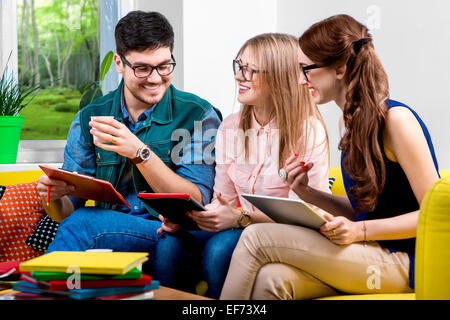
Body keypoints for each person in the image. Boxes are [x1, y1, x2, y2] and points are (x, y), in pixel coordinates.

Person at [220, 14, 440, 300]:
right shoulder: (347, 123)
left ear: (340, 68)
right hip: (370, 251)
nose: (299, 81)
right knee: (271, 279)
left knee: (254, 237)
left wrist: (359, 231)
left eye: (306, 70)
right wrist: (306, 192)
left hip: (407, 260)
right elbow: (364, 211)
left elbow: (435, 215)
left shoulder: (397, 121)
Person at [36, 11, 221, 265]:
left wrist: (140, 152)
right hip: (110, 231)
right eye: (142, 68)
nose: (155, 78)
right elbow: (67, 210)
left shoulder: (198, 115)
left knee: (83, 225)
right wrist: (52, 198)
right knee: (78, 222)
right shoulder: (90, 117)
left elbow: (196, 202)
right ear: (119, 63)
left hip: (170, 233)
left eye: (164, 66)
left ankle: (33, 292)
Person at [153, 33, 330, 298]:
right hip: (238, 225)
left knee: (220, 249)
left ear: (280, 76)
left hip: (281, 235)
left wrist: (240, 218)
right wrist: (189, 217)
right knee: (170, 243)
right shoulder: (231, 127)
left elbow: (301, 217)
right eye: (239, 66)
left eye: (250, 70)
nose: (239, 76)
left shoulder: (308, 130)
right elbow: (223, 200)